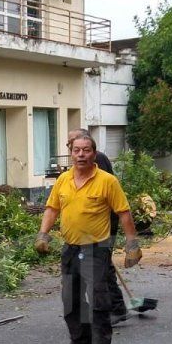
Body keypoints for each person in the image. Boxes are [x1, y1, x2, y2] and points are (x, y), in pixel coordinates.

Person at [35, 133, 142, 344]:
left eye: (86, 150)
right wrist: (43, 234)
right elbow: (52, 208)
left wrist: (132, 244)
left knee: (98, 301)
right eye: (76, 150)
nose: (81, 155)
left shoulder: (107, 181)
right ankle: (80, 340)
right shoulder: (63, 179)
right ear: (71, 153)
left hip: (96, 248)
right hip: (70, 247)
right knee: (70, 298)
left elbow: (124, 212)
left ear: (94, 154)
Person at [67, 129, 128, 324]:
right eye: (70, 145)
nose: (70, 147)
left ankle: (116, 308)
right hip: (89, 230)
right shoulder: (77, 163)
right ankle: (116, 306)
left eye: (72, 141)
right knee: (103, 266)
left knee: (103, 268)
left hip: (104, 223)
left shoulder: (97, 160)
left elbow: (108, 195)